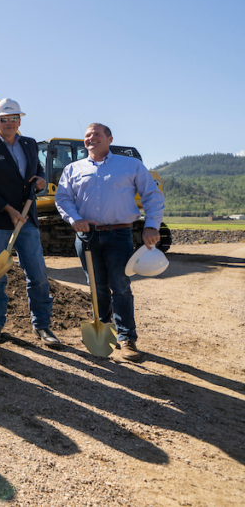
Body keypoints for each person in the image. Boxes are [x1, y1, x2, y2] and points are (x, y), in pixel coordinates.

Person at [55, 123, 165, 362]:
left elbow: (152, 195)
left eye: (96, 134)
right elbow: (63, 198)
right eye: (87, 135)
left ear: (109, 138)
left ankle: (127, 339)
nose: (91, 138)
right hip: (87, 236)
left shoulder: (130, 165)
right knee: (96, 287)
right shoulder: (73, 168)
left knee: (121, 286)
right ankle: (104, 332)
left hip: (119, 235)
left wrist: (152, 225)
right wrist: (74, 219)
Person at [0, 98, 58, 345]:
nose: (9, 123)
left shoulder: (29, 144)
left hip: (26, 217)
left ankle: (42, 325)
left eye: (13, 118)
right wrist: (8, 209)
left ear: (20, 120)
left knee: (38, 273)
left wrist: (40, 180)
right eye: (3, 119)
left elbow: (36, 170)